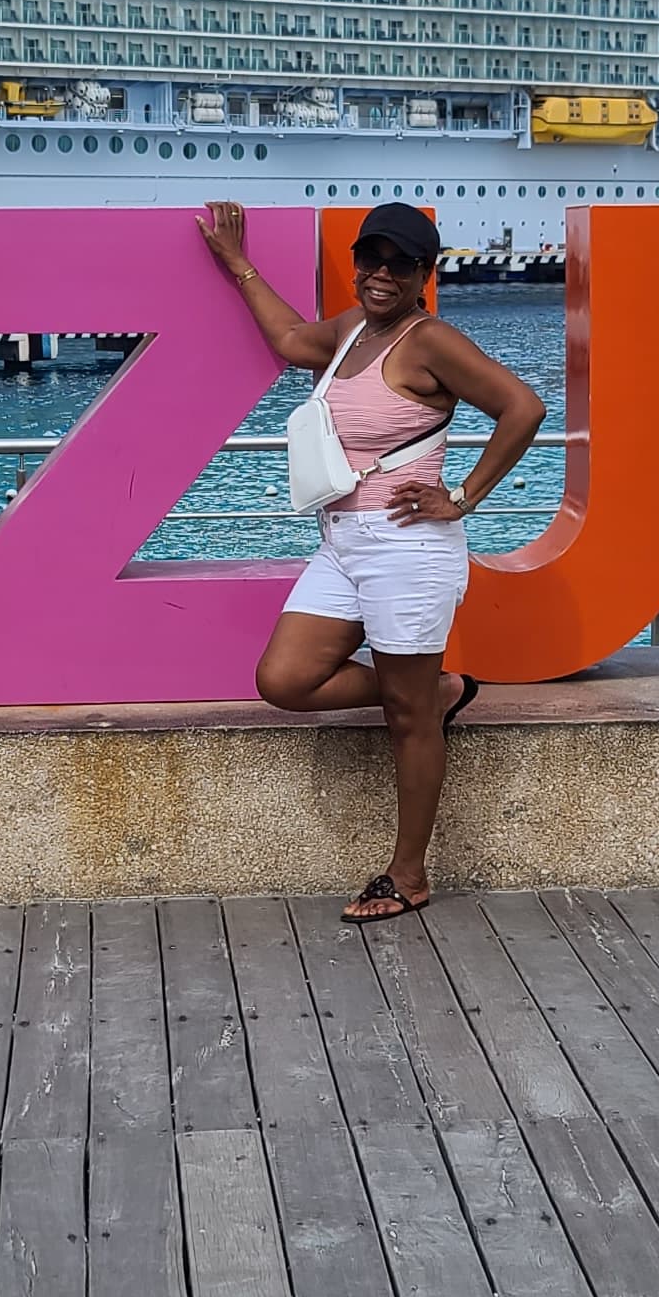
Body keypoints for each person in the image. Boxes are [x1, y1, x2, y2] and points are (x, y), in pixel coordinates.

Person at [200, 195, 545, 924]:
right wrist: (237, 263)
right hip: (342, 543)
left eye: (400, 263)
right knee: (284, 680)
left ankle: (408, 874)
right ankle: (436, 691)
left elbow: (523, 407)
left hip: (408, 550)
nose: (381, 273)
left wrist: (463, 496)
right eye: (370, 258)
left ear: (424, 274)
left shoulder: (429, 340)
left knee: (406, 719)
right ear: (355, 262)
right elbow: (290, 338)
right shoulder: (352, 328)